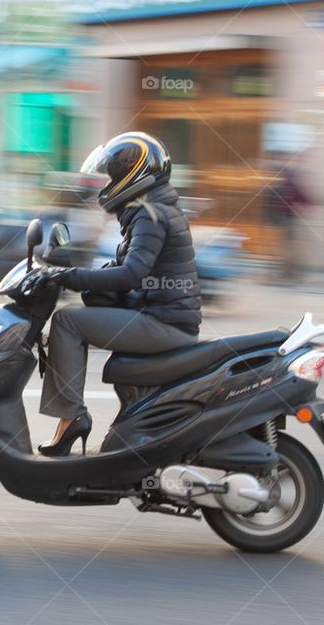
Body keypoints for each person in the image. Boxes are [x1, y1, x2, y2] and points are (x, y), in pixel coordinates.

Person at [25, 132, 202, 456]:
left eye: (113, 177)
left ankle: (71, 419)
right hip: (160, 317)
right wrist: (64, 268)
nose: (107, 186)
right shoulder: (151, 210)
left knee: (67, 322)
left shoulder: (151, 215)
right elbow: (124, 265)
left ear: (132, 176)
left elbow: (131, 274)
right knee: (74, 320)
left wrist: (69, 277)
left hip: (164, 324)